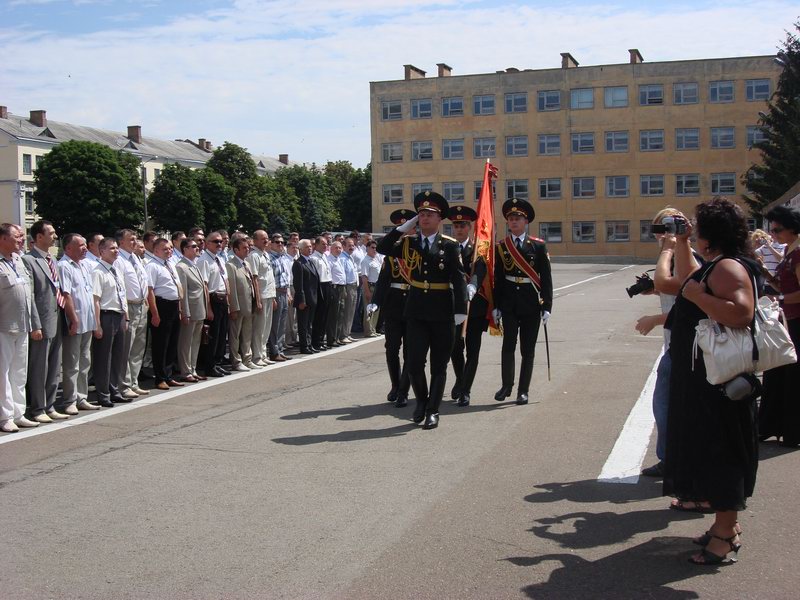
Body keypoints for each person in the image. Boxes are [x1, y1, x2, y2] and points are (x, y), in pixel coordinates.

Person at [663, 197, 758, 565]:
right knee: (707, 451)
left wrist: (699, 297)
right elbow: (691, 278)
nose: (695, 232)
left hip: (718, 385)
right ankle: (724, 525)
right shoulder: (716, 264)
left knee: (722, 455)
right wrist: (682, 242)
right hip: (705, 380)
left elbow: (742, 313)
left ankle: (725, 534)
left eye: (698, 227)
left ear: (712, 233)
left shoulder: (729, 266)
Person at [377, 191, 467, 429]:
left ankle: (432, 410)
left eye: (430, 214)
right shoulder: (409, 242)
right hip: (416, 311)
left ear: (439, 219)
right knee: (415, 363)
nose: (425, 217)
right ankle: (422, 401)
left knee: (439, 365)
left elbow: (458, 279)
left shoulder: (449, 245)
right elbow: (382, 247)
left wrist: (461, 310)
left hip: (442, 311)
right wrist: (402, 228)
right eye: (421, 214)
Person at [634, 208, 690, 477]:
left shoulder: (683, 258)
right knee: (668, 405)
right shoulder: (674, 258)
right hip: (675, 342)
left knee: (665, 405)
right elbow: (674, 289)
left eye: (667, 229)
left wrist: (656, 319)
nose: (661, 236)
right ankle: (674, 458)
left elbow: (690, 306)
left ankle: (672, 459)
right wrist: (654, 290)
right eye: (658, 230)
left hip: (684, 343)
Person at [493, 199, 553, 405]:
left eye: (518, 218)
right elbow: (498, 278)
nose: (514, 221)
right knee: (508, 345)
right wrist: (496, 305)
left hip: (531, 303)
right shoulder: (502, 247)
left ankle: (523, 390)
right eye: (511, 218)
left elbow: (546, 278)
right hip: (509, 303)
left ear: (526, 221)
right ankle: (506, 385)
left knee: (527, 350)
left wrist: (547, 306)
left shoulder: (538, 246)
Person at [758, 205, 800, 447]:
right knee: (776, 373)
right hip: (787, 321)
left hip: (796, 323)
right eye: (772, 230)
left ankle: (790, 430)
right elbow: (784, 287)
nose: (773, 235)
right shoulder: (790, 251)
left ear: (793, 228)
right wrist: (765, 273)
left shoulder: (798, 253)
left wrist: (780, 299)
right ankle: (770, 426)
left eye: (778, 230)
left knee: (790, 378)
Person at [22, 219, 66, 422]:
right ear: (39, 237)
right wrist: (35, 324)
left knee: (55, 365)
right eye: (51, 233)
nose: (55, 236)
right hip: (42, 320)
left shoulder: (52, 259)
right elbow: (30, 296)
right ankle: (38, 408)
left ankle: (50, 404)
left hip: (57, 317)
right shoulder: (29, 260)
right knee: (40, 367)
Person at [447, 205, 489, 407]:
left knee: (473, 350)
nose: (459, 229)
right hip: (454, 306)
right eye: (456, 225)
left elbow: (480, 271)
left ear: (470, 227)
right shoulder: (448, 248)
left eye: (462, 225)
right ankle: (460, 378)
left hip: (475, 307)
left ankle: (465, 390)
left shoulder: (478, 250)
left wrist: (473, 284)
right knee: (455, 348)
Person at [373, 209, 415, 407]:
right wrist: (376, 301)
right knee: (391, 348)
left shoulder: (418, 250)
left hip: (413, 304)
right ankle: (395, 385)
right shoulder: (391, 255)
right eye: (401, 228)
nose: (405, 232)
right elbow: (383, 280)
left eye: (408, 228)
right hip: (393, 305)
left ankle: (404, 390)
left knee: (410, 350)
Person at [56, 233, 100, 415]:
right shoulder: (64, 266)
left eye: (85, 245)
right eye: (81, 245)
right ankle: (70, 400)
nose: (85, 248)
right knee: (72, 364)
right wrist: (73, 318)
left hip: (88, 320)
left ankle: (82, 397)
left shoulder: (84, 265)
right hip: (75, 321)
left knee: (85, 362)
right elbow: (66, 295)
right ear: (68, 248)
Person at [0, 223, 38, 433]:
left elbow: (28, 294)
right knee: (3, 374)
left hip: (23, 325)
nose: (22, 239)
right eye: (17, 236)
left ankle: (18, 413)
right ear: (3, 238)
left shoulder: (18, 261)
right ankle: (5, 416)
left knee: (19, 372)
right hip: (4, 326)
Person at [115, 228, 155, 398]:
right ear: (121, 242)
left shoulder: (136, 258)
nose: (135, 242)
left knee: (138, 348)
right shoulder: (119, 260)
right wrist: (124, 310)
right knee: (127, 347)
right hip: (129, 306)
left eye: (135, 238)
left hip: (141, 305)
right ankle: (123, 384)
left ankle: (133, 382)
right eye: (131, 239)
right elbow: (120, 286)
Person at [91, 238, 130, 407]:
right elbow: (95, 300)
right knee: (103, 357)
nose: (116, 251)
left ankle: (114, 390)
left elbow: (122, 295)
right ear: (102, 251)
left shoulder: (116, 270)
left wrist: (126, 317)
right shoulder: (98, 272)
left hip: (119, 315)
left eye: (116, 248)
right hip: (106, 316)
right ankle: (103, 393)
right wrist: (97, 324)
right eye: (112, 248)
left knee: (117, 356)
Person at [145, 238, 184, 390]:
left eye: (170, 248)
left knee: (172, 343)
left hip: (174, 305)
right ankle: (160, 378)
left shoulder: (170, 264)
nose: (169, 251)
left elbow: (176, 286)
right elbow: (150, 291)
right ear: (156, 251)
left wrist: (179, 309)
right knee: (161, 344)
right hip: (162, 306)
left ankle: (168, 375)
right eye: (165, 249)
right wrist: (155, 314)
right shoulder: (152, 266)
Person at [197, 230, 230, 377]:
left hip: (223, 299)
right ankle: (209, 366)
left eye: (220, 241)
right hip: (213, 299)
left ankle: (217, 362)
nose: (219, 244)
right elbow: (204, 286)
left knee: (221, 335)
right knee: (212, 336)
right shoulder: (204, 260)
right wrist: (208, 308)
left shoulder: (219, 259)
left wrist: (228, 301)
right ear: (207, 243)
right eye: (216, 241)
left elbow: (225, 281)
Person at [176, 237, 209, 382]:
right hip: (190, 310)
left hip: (199, 309)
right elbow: (183, 293)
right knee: (186, 343)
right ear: (185, 249)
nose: (197, 248)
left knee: (195, 342)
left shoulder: (194, 265)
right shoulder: (181, 267)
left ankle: (193, 369)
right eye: (194, 246)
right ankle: (186, 371)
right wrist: (185, 312)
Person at [226, 237, 258, 371]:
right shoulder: (231, 265)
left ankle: (247, 359)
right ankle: (236, 361)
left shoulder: (247, 264)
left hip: (249, 305)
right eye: (244, 248)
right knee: (235, 335)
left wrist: (256, 301)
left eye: (248, 247)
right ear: (236, 250)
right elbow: (232, 288)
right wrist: (234, 307)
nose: (247, 250)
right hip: (238, 306)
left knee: (247, 334)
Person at [247, 230, 276, 367]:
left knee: (266, 328)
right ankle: (256, 356)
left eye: (267, 238)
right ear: (255, 240)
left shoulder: (265, 254)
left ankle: (263, 354)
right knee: (259, 328)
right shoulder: (253, 256)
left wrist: (273, 297)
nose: (266, 241)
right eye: (262, 238)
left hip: (269, 294)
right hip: (262, 295)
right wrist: (257, 300)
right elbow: (255, 278)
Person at [292, 239, 320, 355]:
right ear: (301, 249)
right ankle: (304, 346)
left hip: (312, 298)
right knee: (303, 324)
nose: (310, 248)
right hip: (304, 299)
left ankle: (309, 344)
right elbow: (298, 284)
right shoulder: (298, 263)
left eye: (310, 246)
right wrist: (301, 300)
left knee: (309, 323)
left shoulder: (310, 261)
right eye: (307, 247)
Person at [268, 233, 293, 362]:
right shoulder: (269, 258)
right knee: (275, 324)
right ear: (271, 244)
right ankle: (274, 351)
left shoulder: (283, 258)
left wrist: (288, 293)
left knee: (282, 324)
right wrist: (273, 297)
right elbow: (270, 280)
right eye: (277, 242)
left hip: (284, 292)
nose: (280, 244)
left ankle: (280, 349)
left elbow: (286, 277)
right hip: (276, 292)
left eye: (282, 242)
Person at [309, 236, 331, 351]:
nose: (325, 246)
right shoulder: (314, 258)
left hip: (327, 284)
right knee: (318, 316)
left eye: (326, 244)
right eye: (322, 244)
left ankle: (321, 340)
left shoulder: (324, 256)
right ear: (316, 245)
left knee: (325, 316)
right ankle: (316, 341)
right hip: (319, 286)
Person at [339, 238, 359, 344]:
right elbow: (343, 275)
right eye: (349, 245)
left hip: (354, 286)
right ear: (344, 246)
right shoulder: (342, 258)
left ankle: (347, 333)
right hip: (347, 286)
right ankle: (343, 335)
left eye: (353, 245)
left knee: (351, 311)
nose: (352, 247)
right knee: (346, 311)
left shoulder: (350, 257)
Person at [360, 240, 383, 337]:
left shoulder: (375, 259)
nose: (374, 250)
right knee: (369, 309)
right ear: (367, 248)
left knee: (375, 309)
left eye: (376, 248)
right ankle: (368, 331)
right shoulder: (365, 260)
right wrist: (367, 291)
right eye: (372, 247)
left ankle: (373, 329)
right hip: (370, 286)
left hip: (377, 287)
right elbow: (364, 277)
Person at [326, 241, 346, 347]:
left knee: (340, 314)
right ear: (331, 249)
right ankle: (331, 338)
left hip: (342, 288)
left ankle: (337, 337)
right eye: (336, 248)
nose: (338, 250)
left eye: (340, 248)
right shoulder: (329, 260)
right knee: (333, 315)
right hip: (334, 288)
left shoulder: (339, 259)